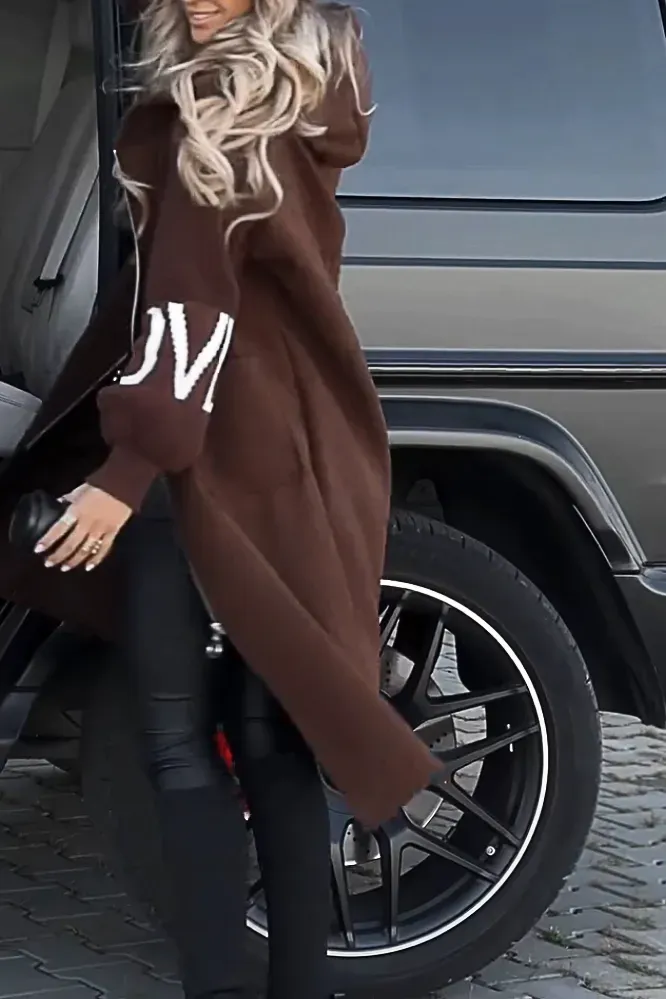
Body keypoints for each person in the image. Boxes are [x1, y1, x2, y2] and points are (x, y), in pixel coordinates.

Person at [5, 1, 443, 996]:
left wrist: (125, 474)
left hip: (203, 460)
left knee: (179, 751)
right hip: (296, 446)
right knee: (275, 740)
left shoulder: (214, 105)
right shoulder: (311, 94)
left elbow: (190, 310)